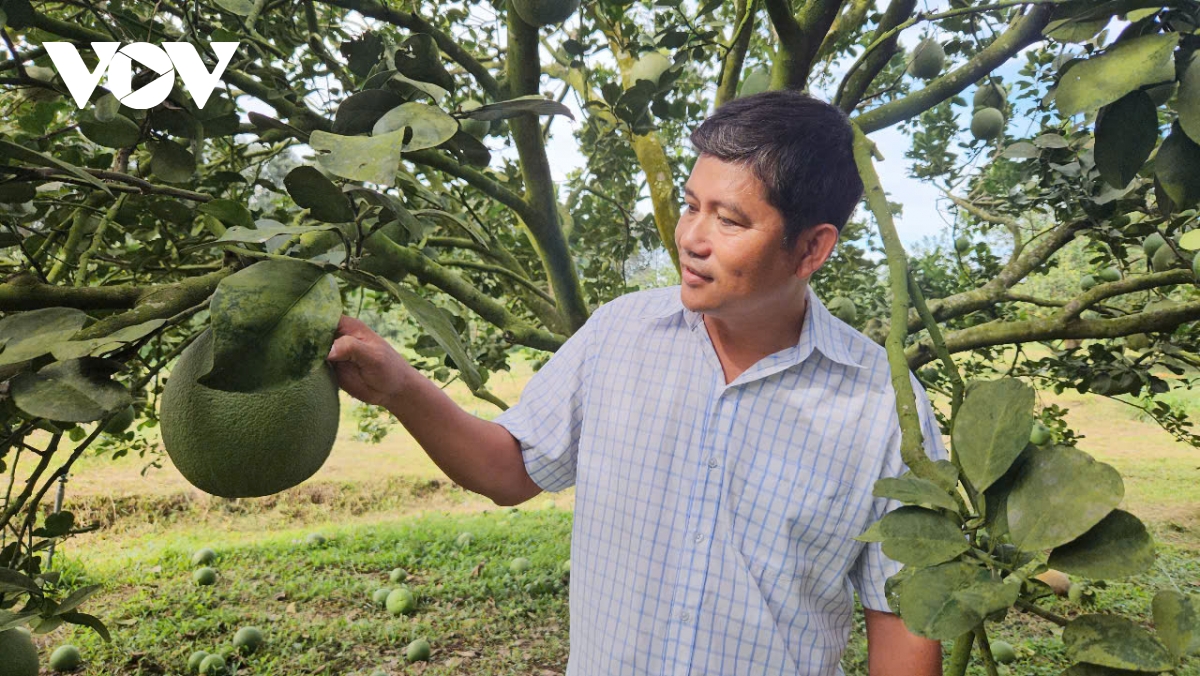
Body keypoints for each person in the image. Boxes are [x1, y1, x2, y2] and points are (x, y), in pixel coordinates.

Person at [326, 90, 947, 676]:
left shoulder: (884, 411)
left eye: (728, 220)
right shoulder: (619, 335)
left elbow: (904, 619)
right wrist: (400, 388)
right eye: (690, 205)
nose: (691, 239)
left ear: (811, 248)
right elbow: (509, 471)